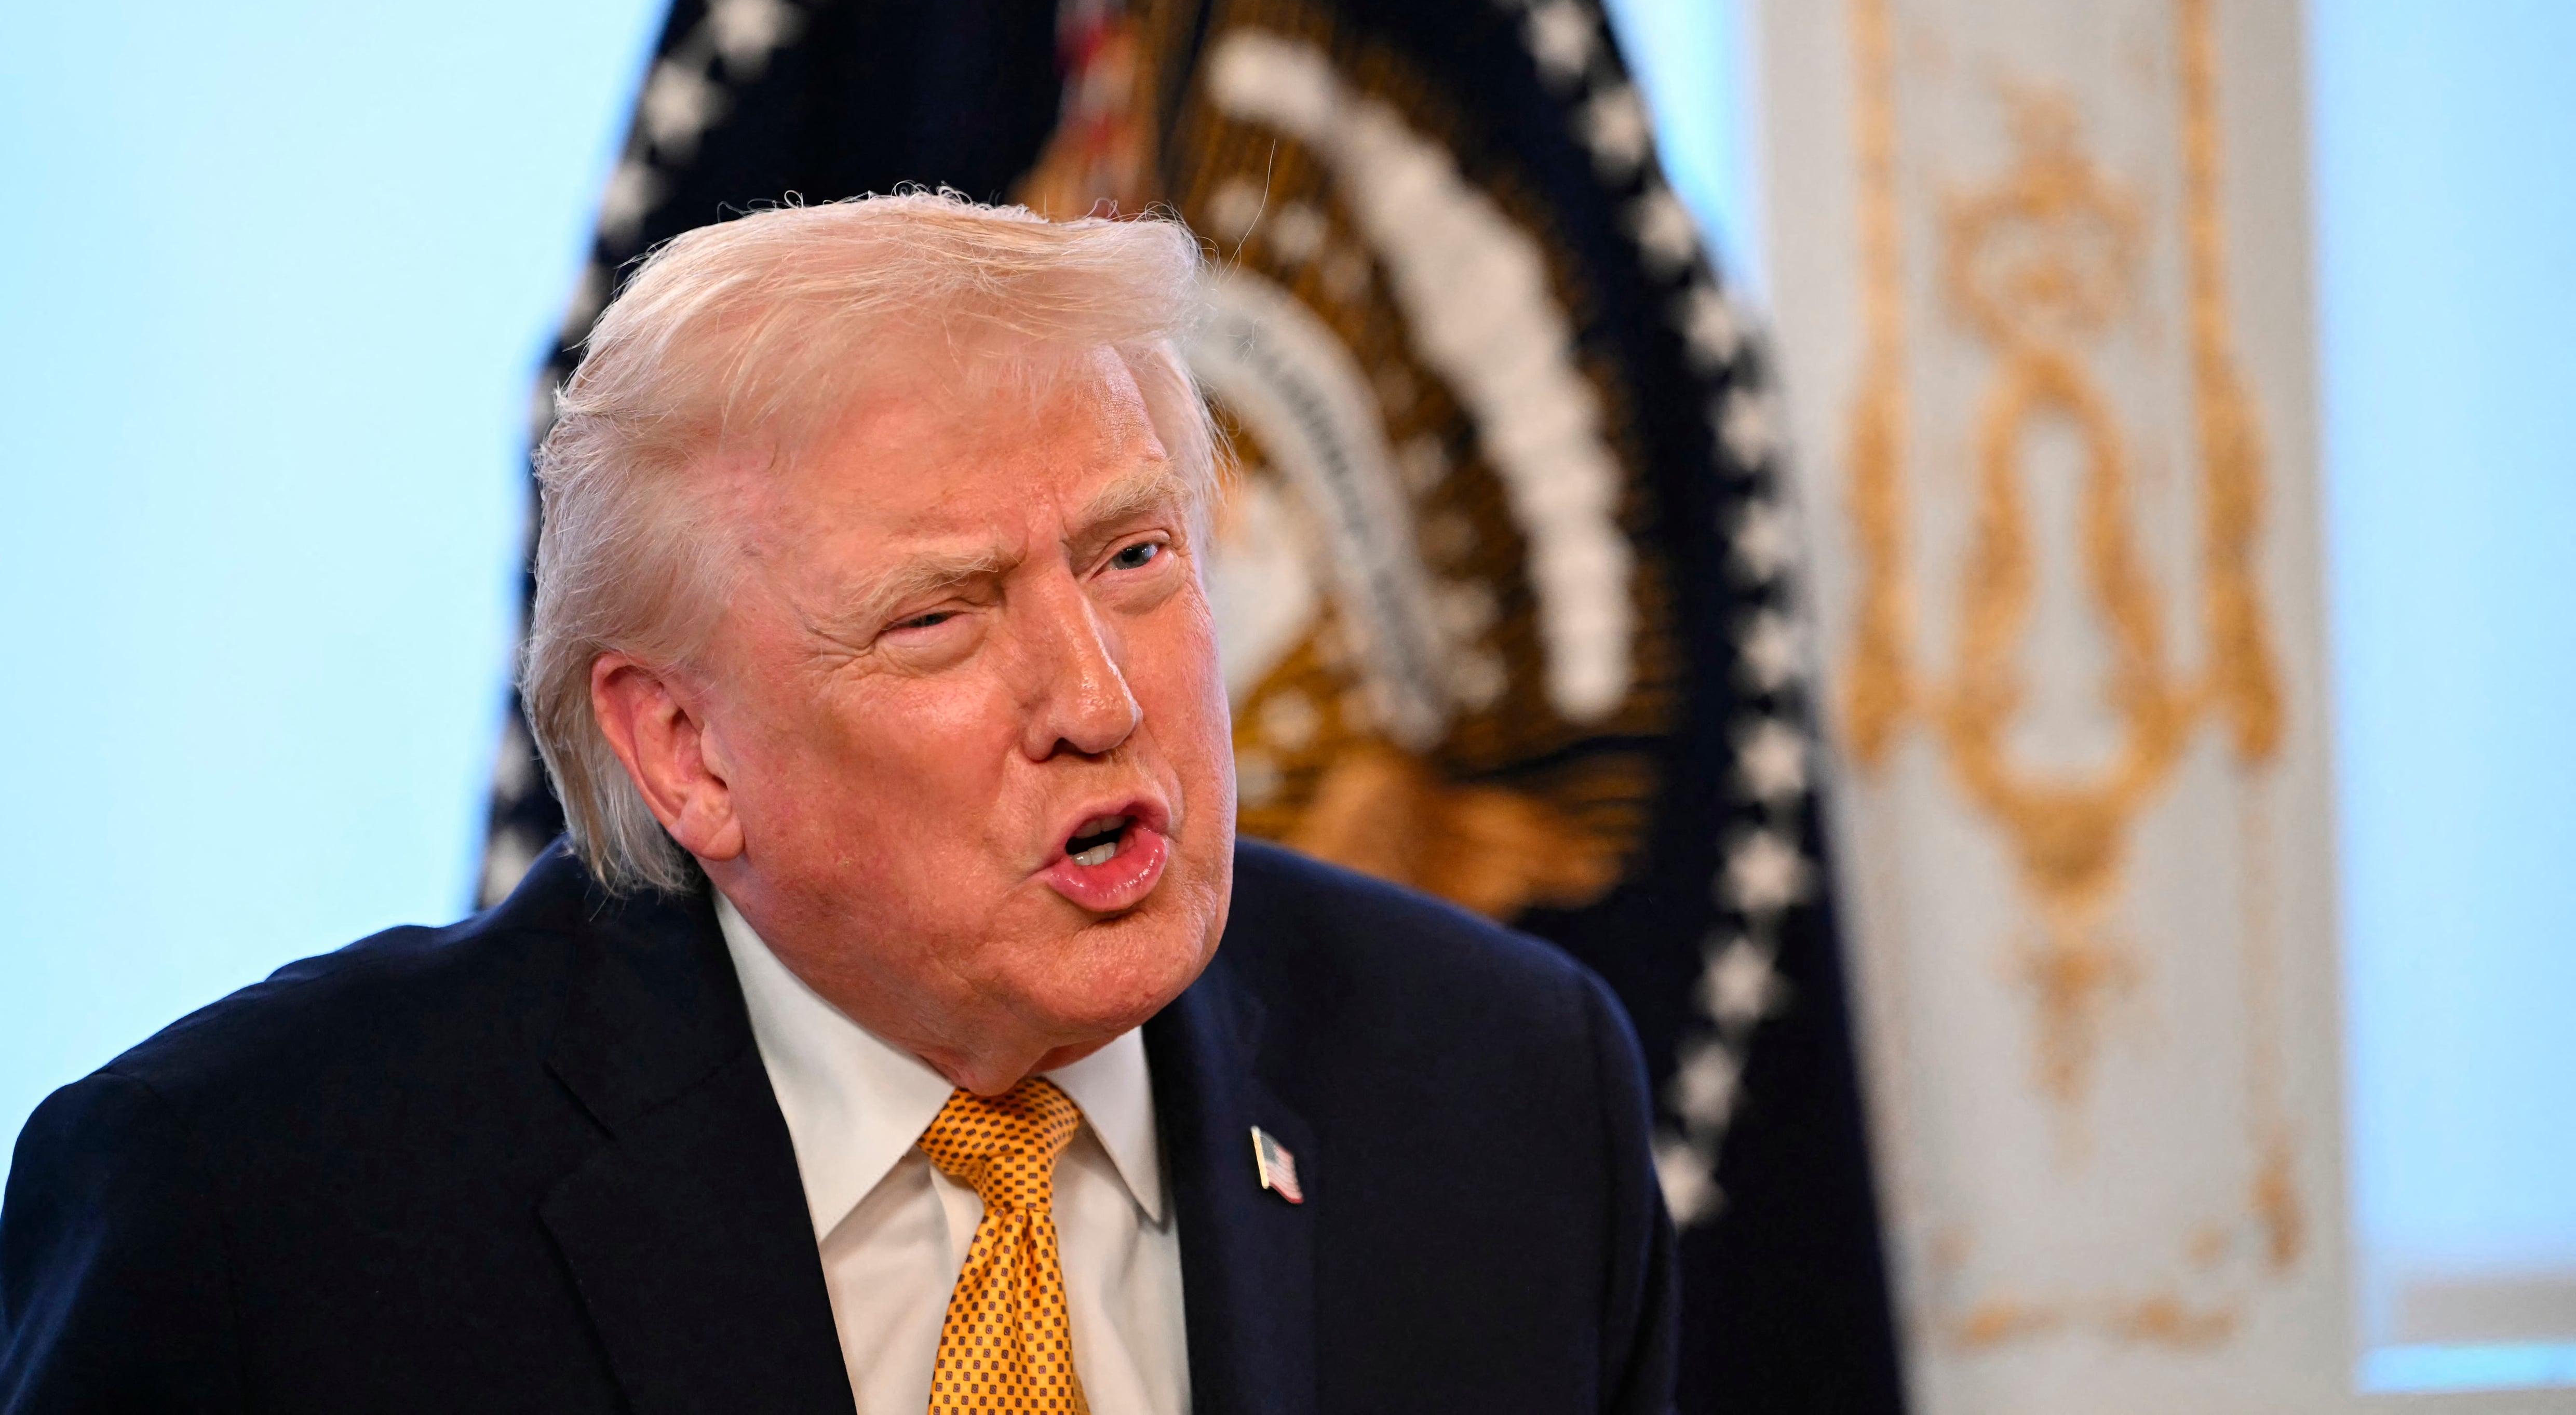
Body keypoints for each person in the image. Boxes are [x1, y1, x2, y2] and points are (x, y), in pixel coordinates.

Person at [0, 194, 1676, 1413]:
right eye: (938, 616)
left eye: (1133, 555)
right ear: (686, 751)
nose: (1099, 700)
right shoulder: (257, 1211)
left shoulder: (1505, 1090)